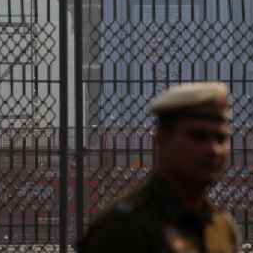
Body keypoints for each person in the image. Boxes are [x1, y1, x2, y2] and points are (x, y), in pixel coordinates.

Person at [78, 82, 241, 253]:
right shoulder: (124, 229)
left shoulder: (222, 228)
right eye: (198, 137)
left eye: (221, 138)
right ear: (162, 140)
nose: (213, 150)